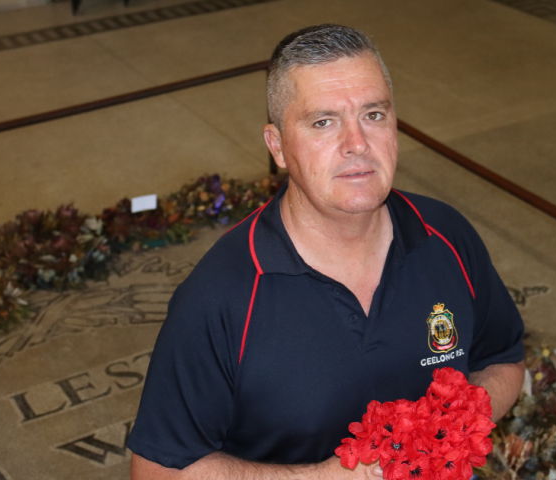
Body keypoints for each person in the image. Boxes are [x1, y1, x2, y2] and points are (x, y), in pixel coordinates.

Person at [128, 24, 525, 479]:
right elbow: (157, 469)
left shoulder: (447, 236)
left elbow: (503, 358)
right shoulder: (220, 296)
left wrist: (435, 441)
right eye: (323, 122)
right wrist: (321, 477)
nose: (357, 143)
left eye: (373, 115)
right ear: (277, 146)